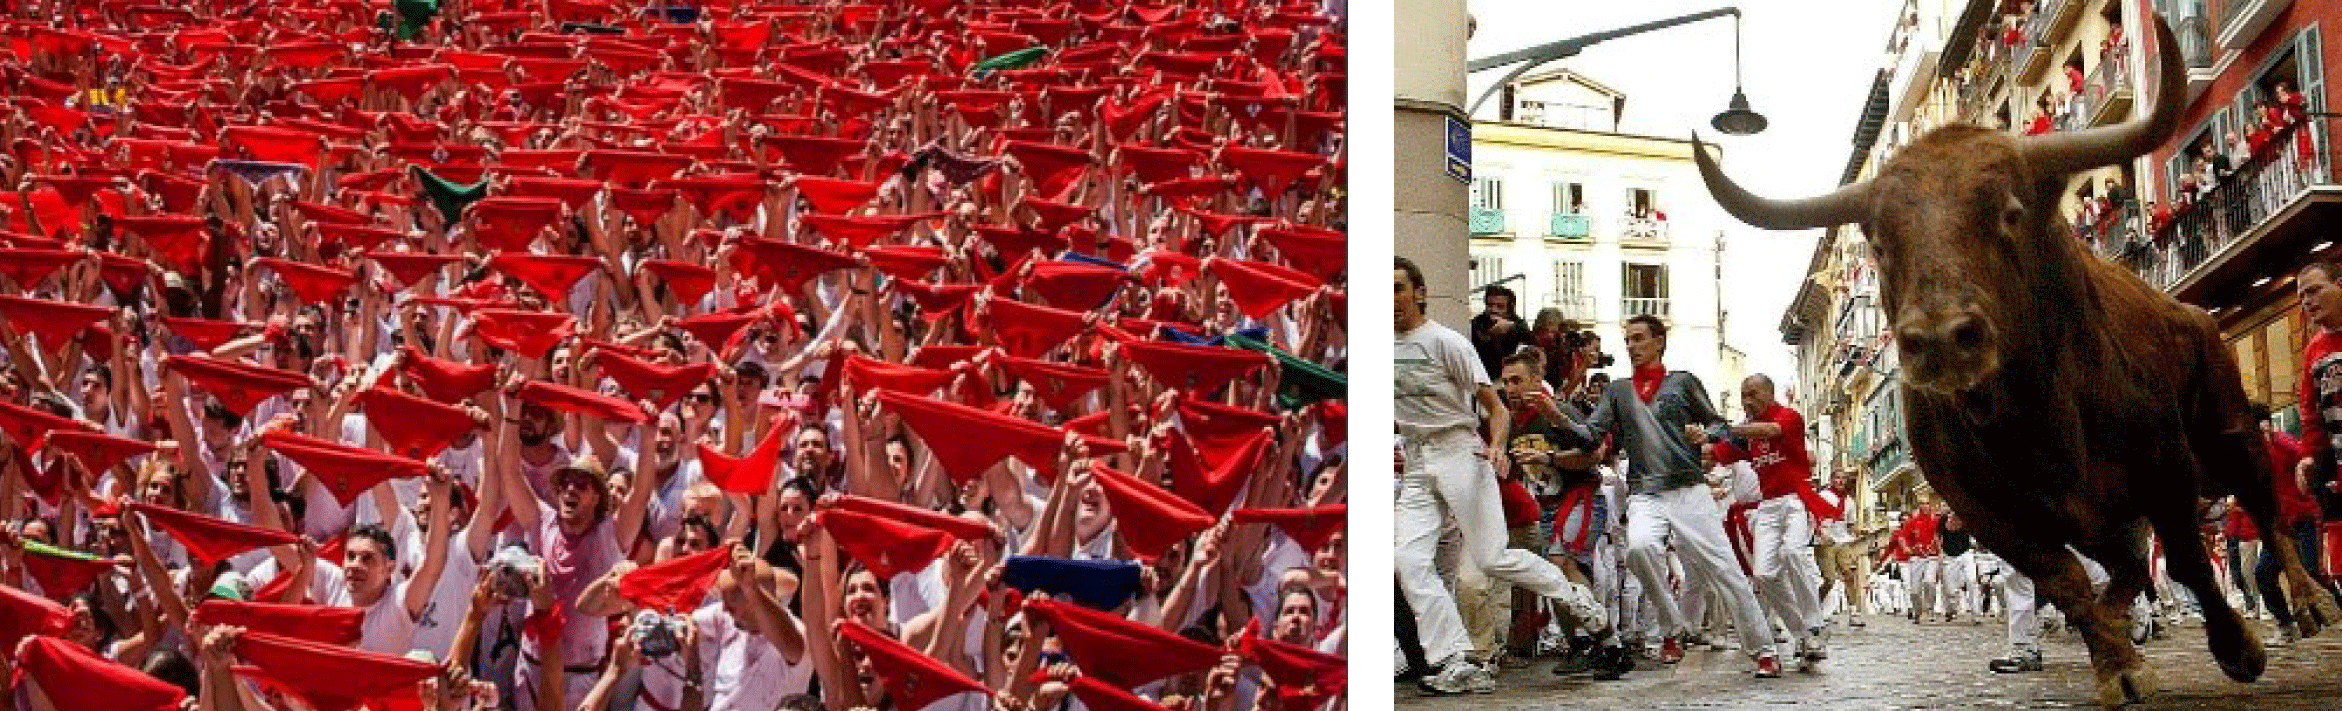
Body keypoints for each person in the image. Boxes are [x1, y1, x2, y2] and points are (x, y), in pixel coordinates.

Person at [1394, 258, 1625, 694]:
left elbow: (1495, 407)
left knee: (1491, 558)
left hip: (1461, 450)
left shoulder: (1448, 344)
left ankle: (1575, 599)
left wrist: (1497, 446)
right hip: (1418, 459)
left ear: (1420, 292)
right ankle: (1454, 659)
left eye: (1397, 289)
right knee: (1406, 561)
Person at [1536, 314, 1786, 677]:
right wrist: (1559, 420)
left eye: (1639, 339)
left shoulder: (1683, 382)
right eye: (1628, 340)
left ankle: (1764, 650)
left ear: (1659, 342)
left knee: (1725, 570)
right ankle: (1672, 627)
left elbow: (1717, 421)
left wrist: (1709, 436)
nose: (1631, 346)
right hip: (1645, 492)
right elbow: (1591, 435)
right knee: (1638, 549)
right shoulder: (1618, 391)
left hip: (1689, 488)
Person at [1696, 375, 1833, 669]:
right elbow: (1714, 456)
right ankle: (1803, 635)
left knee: (1794, 553)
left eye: (1752, 394)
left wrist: (1725, 430)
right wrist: (1694, 439)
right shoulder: (1747, 437)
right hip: (1768, 507)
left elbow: (1771, 430)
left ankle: (1815, 626)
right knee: (1764, 574)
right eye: (1743, 395)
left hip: (1796, 500)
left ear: (1769, 394)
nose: (1747, 401)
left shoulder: (1788, 417)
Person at [1470, 286, 1530, 386]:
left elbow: (1528, 337)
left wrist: (1511, 328)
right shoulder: (1478, 324)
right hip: (1482, 381)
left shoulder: (1518, 325)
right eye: (1490, 305)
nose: (1494, 310)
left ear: (1509, 309)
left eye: (1500, 306)